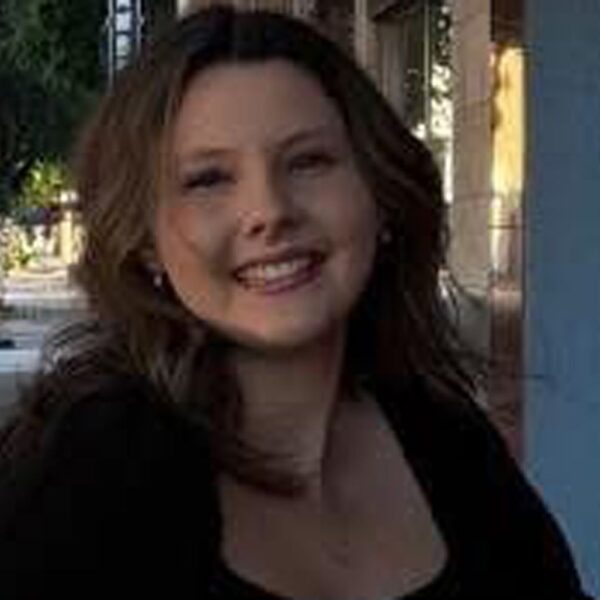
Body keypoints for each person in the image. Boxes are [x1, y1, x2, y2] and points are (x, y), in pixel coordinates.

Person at [0, 6, 593, 599]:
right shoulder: (80, 478)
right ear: (146, 241)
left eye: (309, 161)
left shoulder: (450, 443)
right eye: (208, 179)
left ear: (379, 195)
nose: (270, 211)